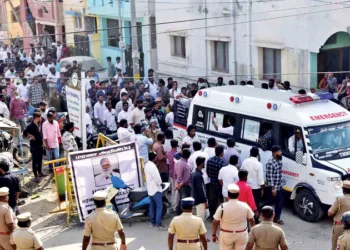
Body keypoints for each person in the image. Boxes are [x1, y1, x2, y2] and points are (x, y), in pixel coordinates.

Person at [212, 183, 255, 249]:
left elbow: (215, 222)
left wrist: (214, 235)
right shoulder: (245, 206)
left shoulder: (222, 207)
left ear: (228, 195)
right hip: (241, 234)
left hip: (226, 234)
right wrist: (252, 233)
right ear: (238, 194)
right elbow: (251, 220)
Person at [144, 152, 166, 231]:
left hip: (150, 188)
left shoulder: (146, 165)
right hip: (156, 189)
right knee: (159, 206)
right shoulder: (153, 166)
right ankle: (158, 224)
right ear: (155, 157)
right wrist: (161, 184)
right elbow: (156, 177)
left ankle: (152, 222)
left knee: (152, 206)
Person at [241, 146, 264, 216]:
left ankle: (244, 216)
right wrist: (262, 189)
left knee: (245, 203)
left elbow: (241, 172)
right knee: (255, 204)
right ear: (257, 155)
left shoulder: (245, 161)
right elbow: (260, 179)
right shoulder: (259, 164)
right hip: (255, 188)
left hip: (246, 185)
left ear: (250, 153)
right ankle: (254, 219)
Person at [265, 145, 284, 225]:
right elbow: (270, 177)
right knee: (269, 203)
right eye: (279, 152)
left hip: (279, 186)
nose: (281, 153)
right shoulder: (270, 163)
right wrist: (273, 189)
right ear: (274, 153)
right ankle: (262, 214)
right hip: (273, 188)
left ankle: (277, 218)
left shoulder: (279, 161)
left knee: (279, 204)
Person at [329, 180, 350, 250]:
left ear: (343, 190)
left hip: (340, 226)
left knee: (336, 246)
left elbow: (330, 212)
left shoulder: (340, 199)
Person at [206, 145, 225, 220]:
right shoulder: (221, 162)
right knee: (221, 201)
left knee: (211, 200)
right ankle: (219, 216)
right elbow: (222, 175)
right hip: (219, 184)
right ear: (221, 153)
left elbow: (208, 172)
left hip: (211, 183)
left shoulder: (209, 160)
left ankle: (211, 215)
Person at [23, 112, 44, 179]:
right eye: (39, 118)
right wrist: (29, 136)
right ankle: (35, 175)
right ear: (37, 118)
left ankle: (40, 172)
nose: (40, 119)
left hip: (40, 145)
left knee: (40, 160)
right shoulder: (30, 126)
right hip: (34, 146)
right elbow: (24, 134)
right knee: (35, 161)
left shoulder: (39, 124)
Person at [174, 148, 192, 215]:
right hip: (185, 185)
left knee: (180, 199)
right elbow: (186, 179)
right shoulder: (186, 165)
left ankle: (178, 213)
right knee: (185, 201)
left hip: (178, 183)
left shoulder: (177, 162)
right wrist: (180, 185)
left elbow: (175, 175)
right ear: (189, 156)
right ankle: (183, 215)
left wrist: (177, 185)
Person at [191, 156, 208, 223]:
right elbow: (201, 189)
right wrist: (204, 201)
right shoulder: (198, 175)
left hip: (195, 198)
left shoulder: (194, 173)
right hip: (199, 201)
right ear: (201, 164)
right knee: (200, 220)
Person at [166, 139, 179, 212]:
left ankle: (173, 205)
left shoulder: (168, 153)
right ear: (177, 145)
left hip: (171, 173)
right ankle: (175, 206)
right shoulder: (178, 154)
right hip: (177, 174)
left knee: (173, 190)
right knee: (176, 191)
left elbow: (168, 163)